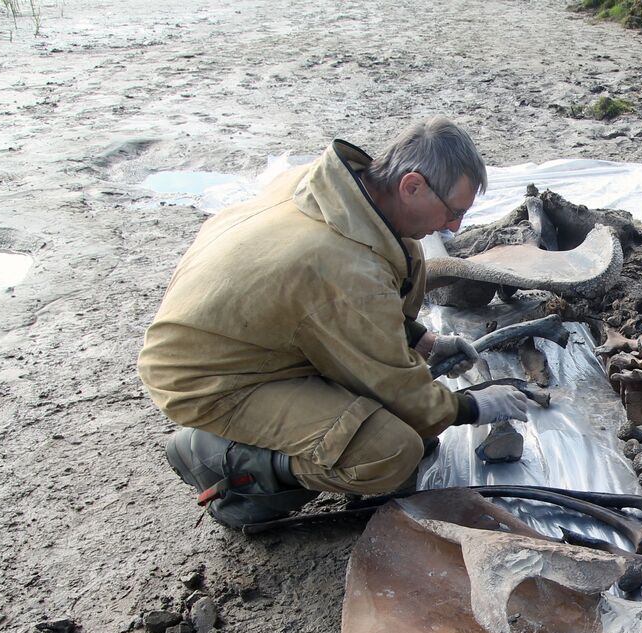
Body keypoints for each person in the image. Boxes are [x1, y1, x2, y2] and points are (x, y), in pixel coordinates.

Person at [138, 118, 528, 529]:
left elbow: (339, 310)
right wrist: (472, 406)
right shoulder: (344, 268)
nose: (454, 227)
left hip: (255, 340)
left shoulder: (329, 189)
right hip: (207, 377)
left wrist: (424, 341)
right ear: (411, 186)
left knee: (410, 251)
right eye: (454, 213)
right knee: (391, 451)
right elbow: (398, 386)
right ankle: (230, 462)